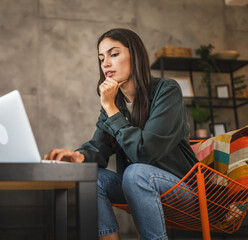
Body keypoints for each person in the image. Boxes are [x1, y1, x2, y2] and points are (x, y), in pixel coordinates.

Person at [45, 28, 198, 240]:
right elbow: (98, 148)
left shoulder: (166, 90)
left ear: (134, 56)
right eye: (101, 58)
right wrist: (79, 156)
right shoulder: (113, 104)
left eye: (114, 54)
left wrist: (111, 109)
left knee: (136, 173)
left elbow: (145, 153)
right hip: (136, 183)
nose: (105, 64)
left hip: (184, 189)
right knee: (91, 177)